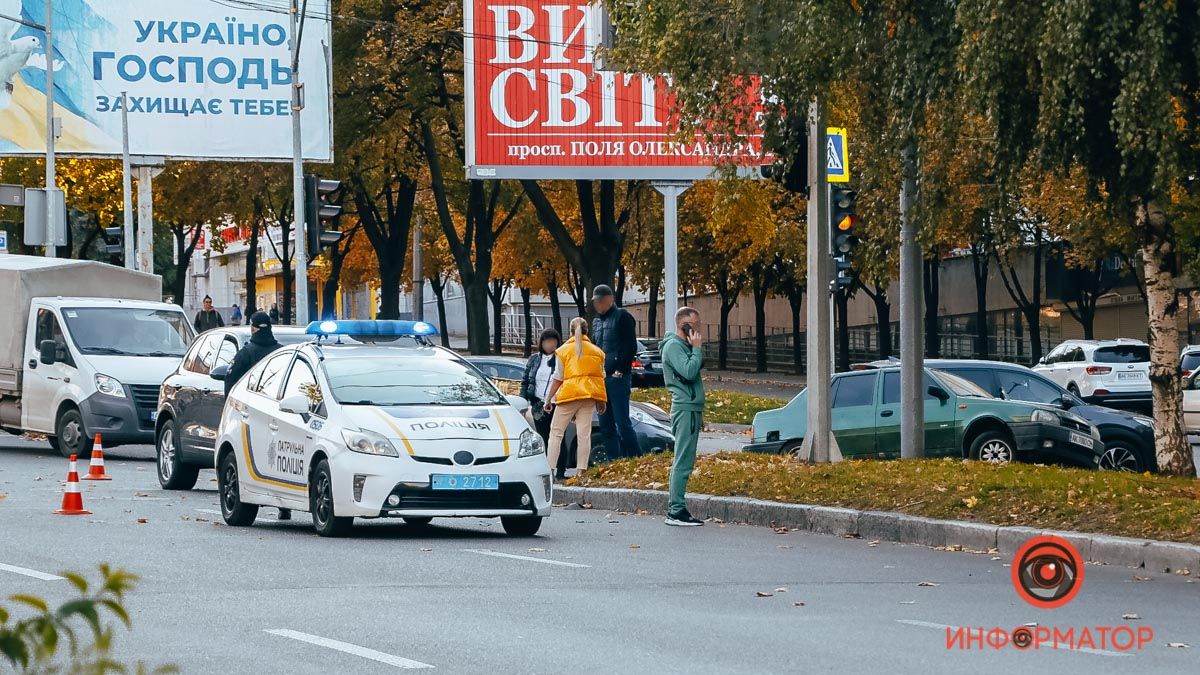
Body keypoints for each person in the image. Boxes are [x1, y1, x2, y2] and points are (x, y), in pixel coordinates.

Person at [224, 311, 290, 519]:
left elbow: (231, 383)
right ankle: (284, 505)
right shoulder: (282, 353)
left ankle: (249, 496)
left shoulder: (245, 354)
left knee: (252, 457)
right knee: (279, 460)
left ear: (252, 328)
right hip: (281, 414)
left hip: (251, 413)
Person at [543, 318, 607, 479]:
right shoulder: (598, 352)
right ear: (587, 330)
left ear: (570, 331)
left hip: (569, 395)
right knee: (584, 434)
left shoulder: (563, 351)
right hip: (588, 396)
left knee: (556, 433)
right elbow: (601, 377)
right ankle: (581, 471)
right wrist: (601, 400)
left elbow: (558, 377)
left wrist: (549, 399)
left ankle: (550, 468)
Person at [661, 306, 706, 527]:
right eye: (695, 326)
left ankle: (678, 507)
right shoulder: (673, 347)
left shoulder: (685, 346)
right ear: (683, 326)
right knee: (683, 460)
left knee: (687, 459)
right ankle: (675, 510)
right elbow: (688, 372)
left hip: (692, 407)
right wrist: (696, 349)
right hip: (684, 407)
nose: (699, 331)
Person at [590, 284, 639, 459]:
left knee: (622, 422)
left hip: (617, 377)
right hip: (601, 378)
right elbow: (595, 347)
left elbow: (630, 345)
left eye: (601, 301)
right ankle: (614, 461)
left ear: (610, 299)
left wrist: (621, 369)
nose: (598, 305)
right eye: (596, 302)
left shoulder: (622, 316)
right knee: (605, 424)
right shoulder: (596, 321)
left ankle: (635, 459)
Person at [520, 328, 561, 447]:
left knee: (557, 437)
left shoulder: (561, 358)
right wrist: (522, 402)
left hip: (555, 403)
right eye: (547, 341)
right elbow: (525, 381)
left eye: (553, 341)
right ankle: (546, 463)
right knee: (542, 437)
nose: (549, 345)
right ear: (541, 343)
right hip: (538, 404)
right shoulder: (534, 359)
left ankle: (560, 465)